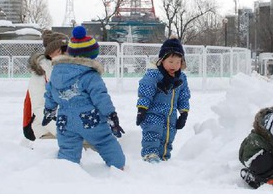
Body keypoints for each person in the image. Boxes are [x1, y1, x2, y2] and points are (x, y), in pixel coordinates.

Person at [42, 26, 126, 169]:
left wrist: (49, 111)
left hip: (65, 120)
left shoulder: (56, 71)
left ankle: (67, 170)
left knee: (68, 148)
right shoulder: (90, 75)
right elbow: (100, 97)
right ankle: (118, 166)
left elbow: (50, 92)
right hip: (90, 119)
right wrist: (111, 115)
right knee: (104, 141)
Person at [135, 35, 191, 163]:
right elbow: (145, 92)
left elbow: (184, 97)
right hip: (153, 114)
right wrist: (141, 109)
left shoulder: (181, 78)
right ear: (162, 60)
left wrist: (184, 114)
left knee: (168, 137)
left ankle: (164, 157)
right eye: (171, 62)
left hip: (170, 115)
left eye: (178, 62)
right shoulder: (154, 75)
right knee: (153, 134)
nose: (174, 65)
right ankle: (150, 155)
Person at [23, 29, 68, 141]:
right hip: (44, 124)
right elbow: (39, 108)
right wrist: (62, 131)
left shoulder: (69, 68)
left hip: (68, 120)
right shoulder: (40, 73)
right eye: (65, 49)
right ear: (54, 51)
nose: (68, 53)